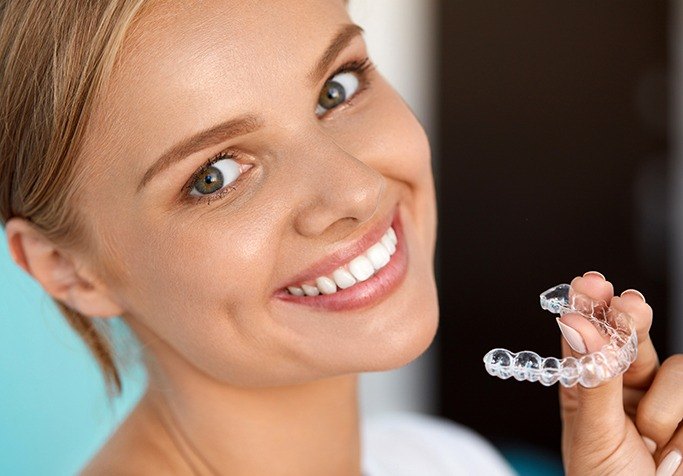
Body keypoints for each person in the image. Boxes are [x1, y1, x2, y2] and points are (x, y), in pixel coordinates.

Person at [1, 1, 681, 475]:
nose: (355, 190)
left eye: (336, 89)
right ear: (67, 270)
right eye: (215, 175)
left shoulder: (433, 460)